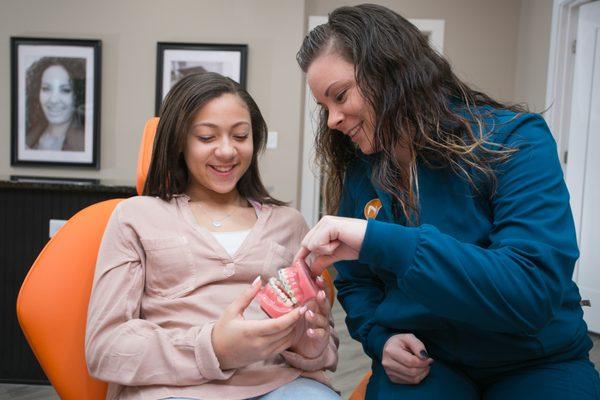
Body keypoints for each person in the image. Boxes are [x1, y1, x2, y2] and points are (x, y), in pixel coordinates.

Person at [295, 4, 600, 399]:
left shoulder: (516, 141)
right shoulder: (361, 170)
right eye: (325, 107)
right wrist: (380, 337)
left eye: (340, 96)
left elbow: (530, 289)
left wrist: (380, 239)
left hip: (537, 358)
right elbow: (356, 282)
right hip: (430, 360)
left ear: (391, 70)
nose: (333, 119)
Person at [85, 72, 339, 400]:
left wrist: (311, 345)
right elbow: (106, 347)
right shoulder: (136, 217)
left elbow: (326, 346)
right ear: (179, 141)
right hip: (173, 390)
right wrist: (215, 349)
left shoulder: (289, 224)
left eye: (240, 135)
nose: (226, 151)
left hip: (279, 383)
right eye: (206, 137)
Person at [25, 57, 85, 151]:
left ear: (76, 96)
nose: (53, 100)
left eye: (65, 90)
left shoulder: (83, 143)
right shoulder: (31, 134)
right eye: (46, 88)